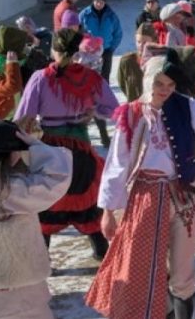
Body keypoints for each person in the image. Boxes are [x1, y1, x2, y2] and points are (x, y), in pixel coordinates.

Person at [85, 56, 195, 319]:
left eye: (171, 84)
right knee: (145, 266)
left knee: (183, 269)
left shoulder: (187, 106)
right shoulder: (132, 113)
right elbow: (117, 163)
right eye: (159, 83)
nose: (165, 89)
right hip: (146, 196)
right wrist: (107, 211)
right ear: (147, 80)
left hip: (184, 194)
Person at [14, 29, 119, 259]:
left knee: (47, 200)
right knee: (87, 197)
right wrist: (93, 110)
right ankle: (102, 253)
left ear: (54, 50)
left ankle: (42, 259)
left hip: (50, 149)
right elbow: (115, 110)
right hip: (81, 148)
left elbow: (23, 118)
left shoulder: (41, 78)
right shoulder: (91, 77)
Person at [0, 120, 72, 319]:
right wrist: (36, 145)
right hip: (21, 281)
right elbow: (58, 175)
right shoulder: (13, 191)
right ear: (14, 154)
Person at [0, 27, 32, 120]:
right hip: (3, 121)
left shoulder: (14, 70)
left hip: (18, 118)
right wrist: (12, 64)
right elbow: (14, 86)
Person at [78, 0, 123, 84]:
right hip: (89, 52)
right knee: (89, 77)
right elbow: (77, 30)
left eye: (101, 2)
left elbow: (118, 33)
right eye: (97, 1)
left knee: (104, 77)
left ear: (105, 3)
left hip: (106, 50)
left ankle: (104, 92)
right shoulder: (84, 14)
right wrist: (81, 46)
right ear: (93, 1)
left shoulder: (111, 15)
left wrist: (111, 48)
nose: (99, 4)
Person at [117, 22, 159, 102]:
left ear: (154, 41)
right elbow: (122, 84)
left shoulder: (159, 61)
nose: (141, 46)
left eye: (145, 42)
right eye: (139, 42)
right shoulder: (127, 61)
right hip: (134, 106)